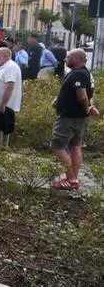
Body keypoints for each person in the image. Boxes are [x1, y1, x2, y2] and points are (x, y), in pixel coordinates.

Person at [51, 49, 98, 190]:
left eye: (68, 57)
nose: (65, 60)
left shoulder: (78, 74)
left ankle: (71, 179)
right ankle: (74, 179)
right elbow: (89, 93)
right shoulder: (86, 73)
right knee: (75, 146)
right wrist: (59, 99)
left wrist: (87, 108)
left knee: (57, 146)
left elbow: (82, 96)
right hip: (79, 119)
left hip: (69, 118)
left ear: (76, 58)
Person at [0, 47, 22, 148]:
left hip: (3, 107)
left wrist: (3, 104)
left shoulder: (10, 67)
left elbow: (10, 86)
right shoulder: (5, 66)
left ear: (7, 56)